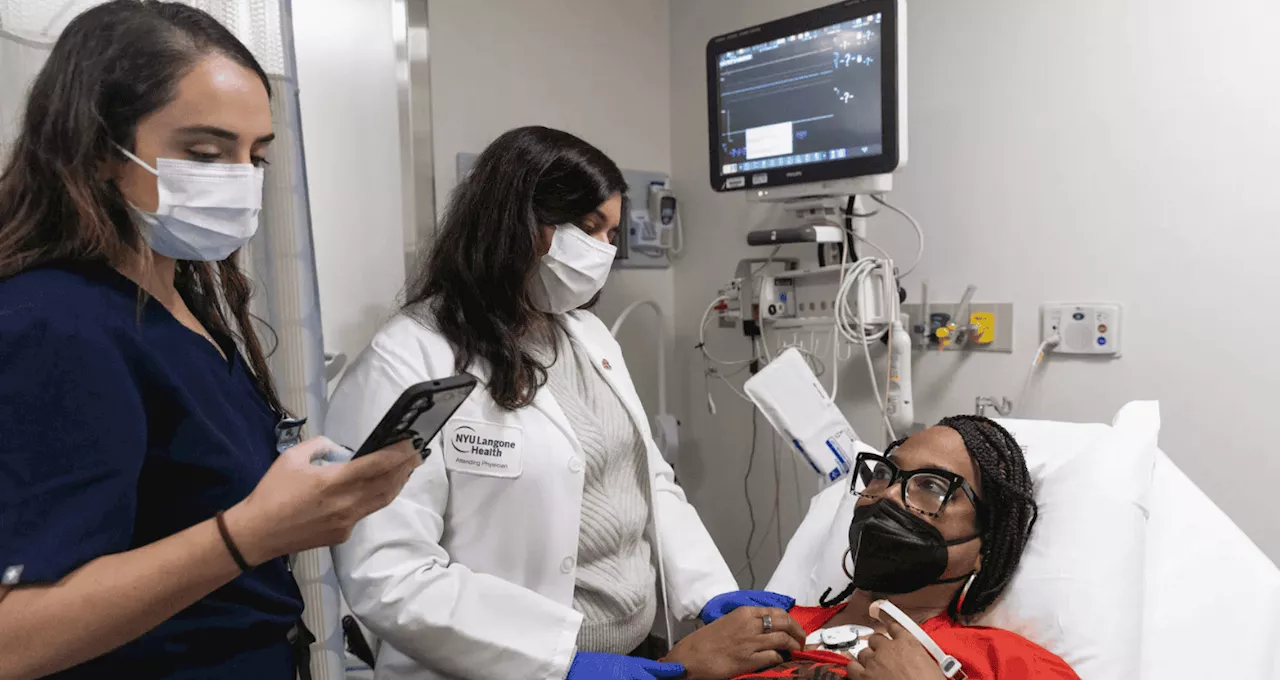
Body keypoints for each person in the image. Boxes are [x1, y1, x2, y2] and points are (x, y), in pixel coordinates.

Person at [0, 3, 418, 679]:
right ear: (101, 150)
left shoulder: (185, 304)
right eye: (204, 152)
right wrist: (251, 534)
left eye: (256, 155)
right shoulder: (52, 323)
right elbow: (12, 638)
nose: (240, 180)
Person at [327, 125, 799, 680]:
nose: (602, 250)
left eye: (612, 234)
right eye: (588, 227)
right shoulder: (409, 357)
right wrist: (561, 663)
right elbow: (389, 571)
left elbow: (647, 481)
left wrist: (710, 593)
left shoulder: (588, 336)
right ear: (513, 221)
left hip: (634, 657)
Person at [721, 416, 1080, 679]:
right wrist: (679, 665)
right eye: (883, 474)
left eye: (933, 486)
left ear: (984, 549)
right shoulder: (760, 626)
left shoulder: (1003, 661)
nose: (889, 493)